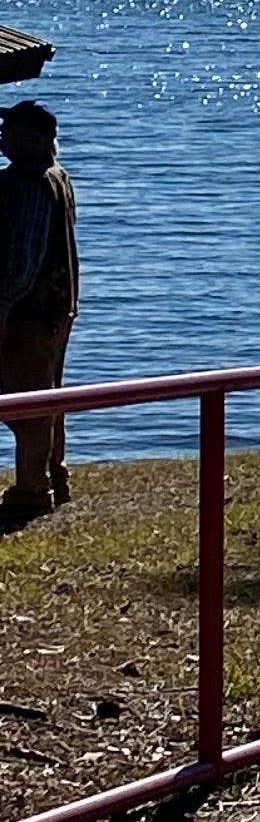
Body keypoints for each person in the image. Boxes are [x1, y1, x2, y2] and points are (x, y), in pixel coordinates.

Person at [0, 99, 80, 527]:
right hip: (58, 306)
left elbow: (23, 261)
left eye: (10, 130)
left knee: (25, 400)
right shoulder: (58, 177)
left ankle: (32, 488)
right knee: (50, 395)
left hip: (29, 313)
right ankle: (53, 473)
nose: (3, 138)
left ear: (30, 138)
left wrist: (2, 308)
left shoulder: (27, 184)